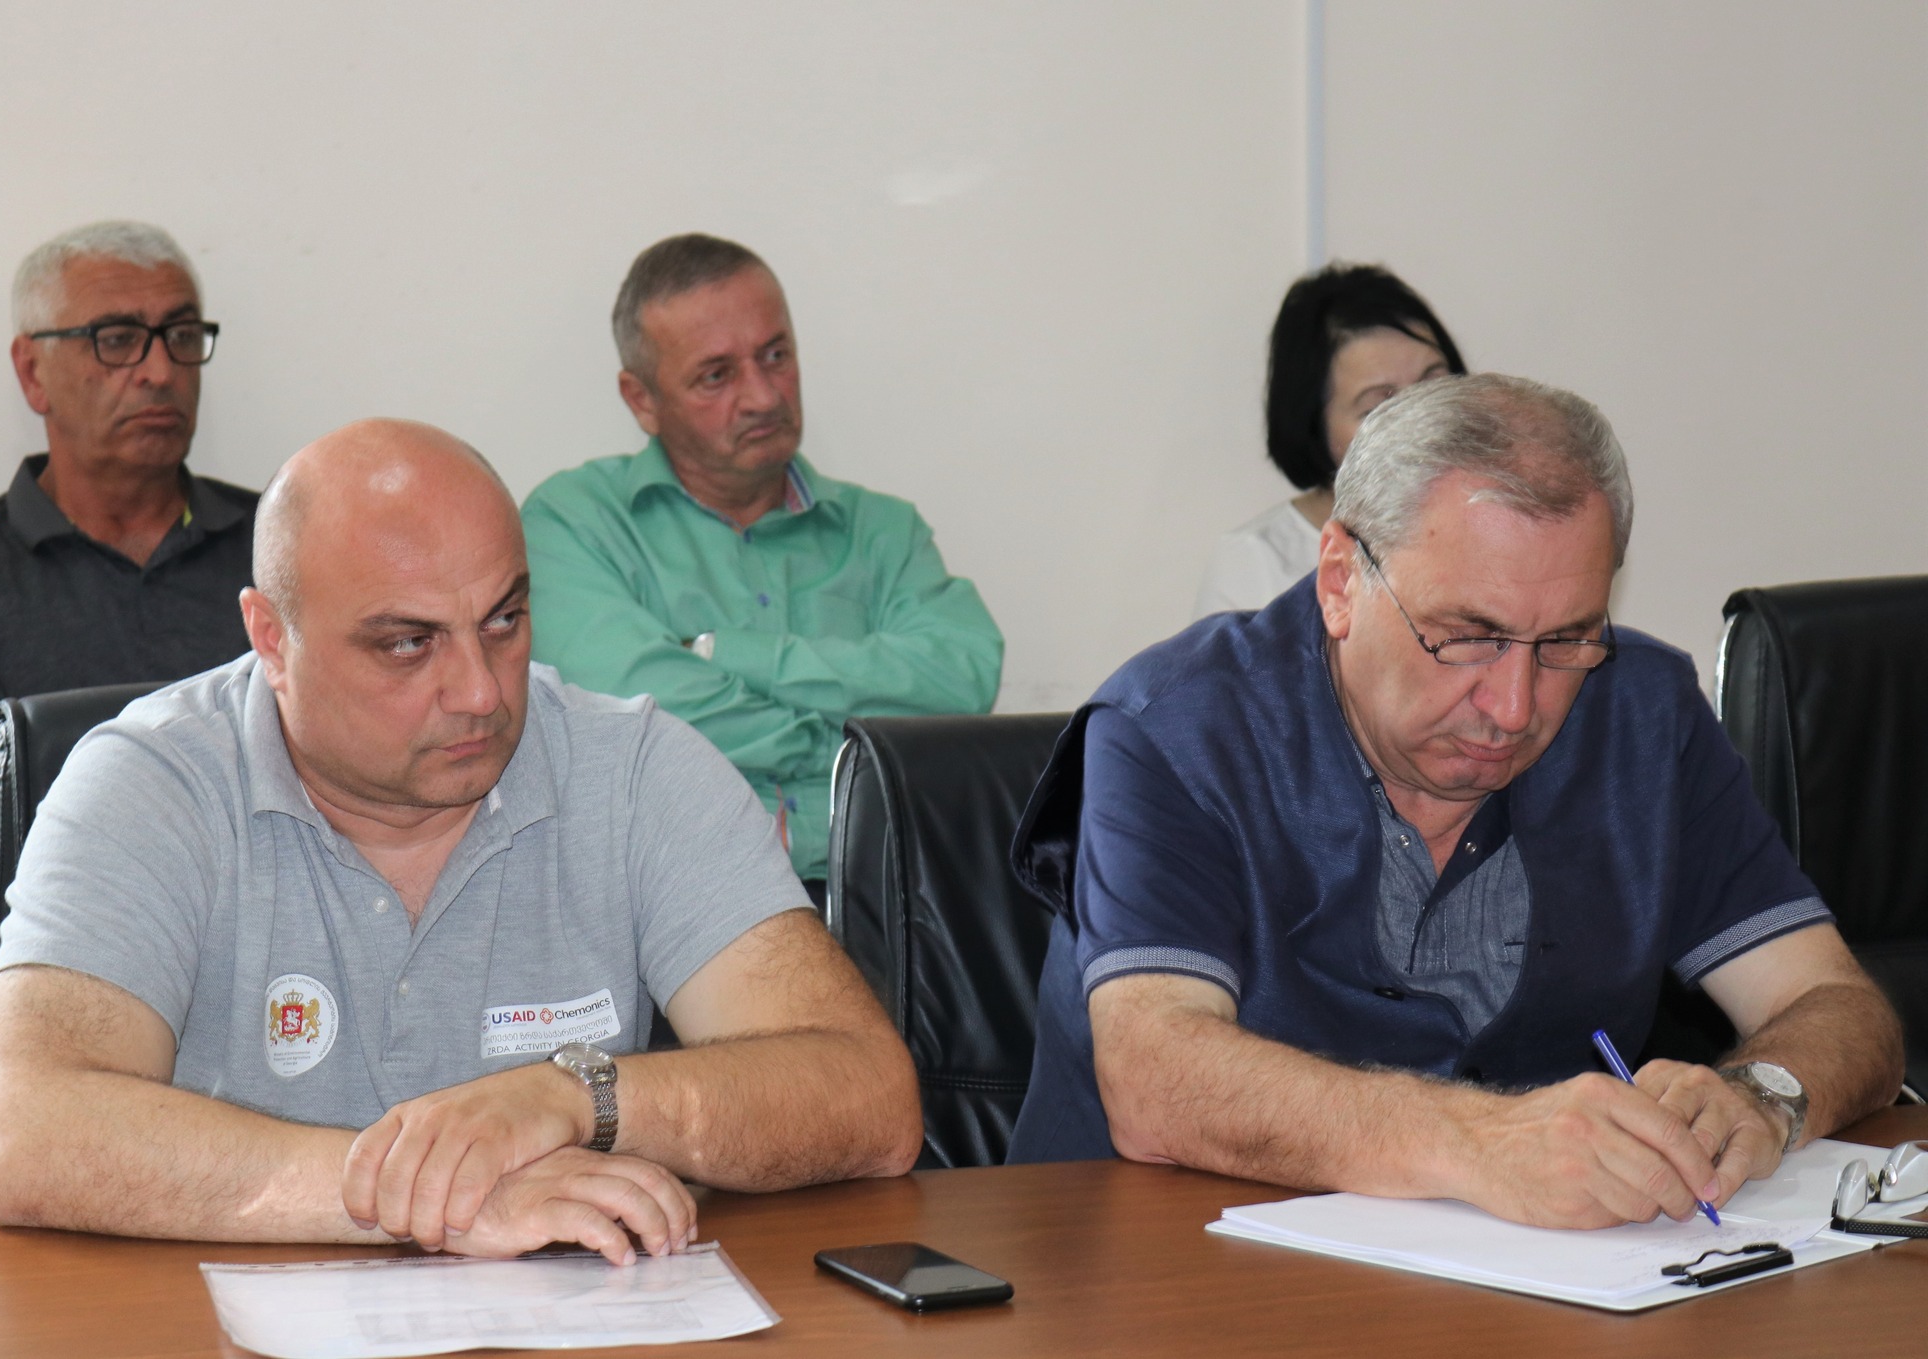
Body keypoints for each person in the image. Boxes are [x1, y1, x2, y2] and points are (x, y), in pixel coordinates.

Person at [0, 419, 921, 1257]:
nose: (481, 691)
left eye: (504, 620)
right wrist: (438, 1199)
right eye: (408, 643)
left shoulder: (632, 767)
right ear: (272, 638)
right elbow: (22, 1128)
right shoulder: (151, 781)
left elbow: (870, 1099)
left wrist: (574, 1096)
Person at [1009, 374, 1904, 1230]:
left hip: (1530, 1286)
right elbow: (1156, 1079)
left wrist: (1762, 1093)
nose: (1514, 707)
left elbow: (1836, 1002)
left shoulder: (1643, 715)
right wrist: (1484, 1142)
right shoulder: (1174, 729)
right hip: (1161, 1273)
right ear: (1340, 582)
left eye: (1565, 640)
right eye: (1468, 637)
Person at [521, 234, 1003, 896]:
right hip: (669, 905)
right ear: (642, 399)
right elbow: (635, 714)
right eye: (716, 375)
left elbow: (963, 677)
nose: (762, 396)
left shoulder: (884, 532)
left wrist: (725, 654)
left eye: (776, 356)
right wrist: (844, 753)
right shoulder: (575, 522)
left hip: (886, 901)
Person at [0, 220, 255, 998]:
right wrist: (129, 949)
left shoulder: (288, 545)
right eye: (117, 339)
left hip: (273, 983)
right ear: (32, 371)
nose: (160, 370)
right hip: (46, 993)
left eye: (182, 335)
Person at [1194, 263, 1465, 617]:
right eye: (1380, 407)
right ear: (1314, 425)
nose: (1422, 419)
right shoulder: (1256, 563)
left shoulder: (1496, 521)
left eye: (1434, 385)